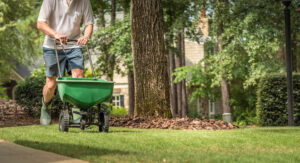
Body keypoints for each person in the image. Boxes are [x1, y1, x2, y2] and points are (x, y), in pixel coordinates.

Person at [37, 0, 94, 125]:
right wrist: (56, 34)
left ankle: (76, 111)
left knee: (78, 78)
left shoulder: (84, 2)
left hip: (74, 45)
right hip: (53, 46)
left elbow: (89, 23)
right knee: (51, 84)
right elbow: (40, 23)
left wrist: (86, 36)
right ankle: (46, 106)